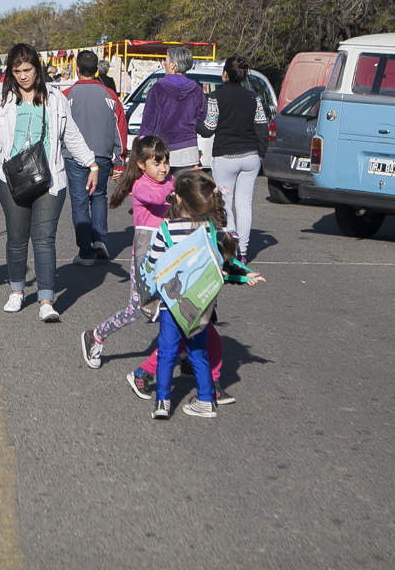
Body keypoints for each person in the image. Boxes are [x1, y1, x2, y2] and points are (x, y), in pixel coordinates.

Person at [0, 43, 97, 322]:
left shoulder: (55, 99)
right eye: (16, 71)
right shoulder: (5, 101)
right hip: (12, 180)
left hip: (49, 179)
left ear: (37, 68)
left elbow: (72, 135)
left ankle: (46, 300)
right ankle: (17, 292)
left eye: (27, 70)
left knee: (44, 240)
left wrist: (92, 164)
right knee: (17, 240)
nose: (23, 76)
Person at [141, 170, 264, 420]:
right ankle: (206, 400)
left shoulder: (166, 229)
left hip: (171, 305)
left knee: (167, 352)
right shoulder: (210, 230)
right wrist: (244, 276)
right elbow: (222, 267)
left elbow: (152, 264)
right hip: (201, 304)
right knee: (198, 351)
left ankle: (162, 401)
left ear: (178, 199)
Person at [80, 135, 171, 370]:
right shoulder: (141, 186)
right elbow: (159, 197)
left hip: (171, 253)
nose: (164, 169)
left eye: (166, 163)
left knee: (176, 308)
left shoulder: (170, 181)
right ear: (141, 165)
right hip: (146, 253)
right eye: (157, 163)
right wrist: (181, 187)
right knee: (135, 311)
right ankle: (96, 336)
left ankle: (184, 356)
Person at [199, 55, 269, 261]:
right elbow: (262, 127)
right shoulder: (253, 97)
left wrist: (193, 123)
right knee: (245, 205)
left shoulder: (215, 97)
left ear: (225, 74)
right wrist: (261, 154)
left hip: (225, 158)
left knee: (224, 203)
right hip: (250, 157)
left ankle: (231, 241)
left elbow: (208, 129)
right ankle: (244, 252)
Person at [64, 50, 126, 267]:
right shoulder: (110, 95)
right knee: (99, 196)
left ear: (77, 69)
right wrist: (119, 159)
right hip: (102, 154)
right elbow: (120, 129)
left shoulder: (66, 95)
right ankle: (99, 240)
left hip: (74, 156)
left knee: (80, 201)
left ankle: (85, 252)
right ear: (97, 69)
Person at [138, 45, 206, 173]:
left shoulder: (158, 88)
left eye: (166, 60)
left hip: (162, 149)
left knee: (163, 191)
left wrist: (142, 145)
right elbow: (201, 118)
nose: (164, 63)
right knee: (186, 191)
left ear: (173, 65)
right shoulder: (196, 89)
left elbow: (148, 122)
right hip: (189, 150)